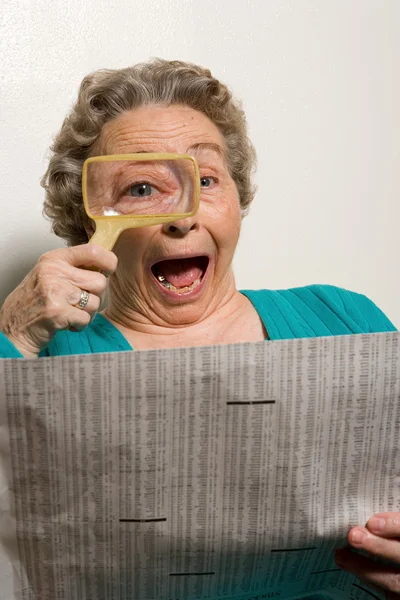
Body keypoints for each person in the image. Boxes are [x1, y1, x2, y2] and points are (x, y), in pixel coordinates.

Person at [0, 59, 399, 597]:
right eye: (141, 188)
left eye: (205, 179)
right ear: (90, 220)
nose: (182, 218)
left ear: (237, 199)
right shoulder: (42, 358)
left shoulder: (344, 319)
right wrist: (14, 337)